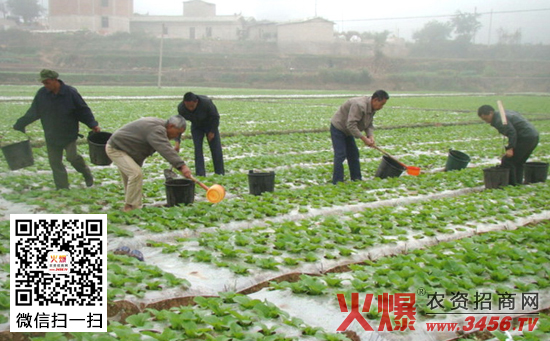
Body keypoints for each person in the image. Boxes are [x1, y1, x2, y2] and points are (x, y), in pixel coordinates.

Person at [13, 69, 100, 190]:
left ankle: (86, 173)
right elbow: (33, 112)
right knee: (55, 162)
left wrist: (92, 124)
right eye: (43, 83)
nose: (45, 85)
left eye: (47, 82)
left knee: (72, 157)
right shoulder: (42, 94)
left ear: (55, 80)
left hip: (68, 133)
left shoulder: (70, 93)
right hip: (51, 134)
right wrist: (19, 125)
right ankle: (62, 188)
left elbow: (82, 110)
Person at [106, 116, 192, 212]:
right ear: (171, 126)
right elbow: (164, 148)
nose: (177, 136)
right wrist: (182, 166)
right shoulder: (156, 130)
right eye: (178, 133)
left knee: (131, 177)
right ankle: (131, 207)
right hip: (117, 148)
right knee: (135, 174)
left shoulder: (161, 128)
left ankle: (131, 205)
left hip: (128, 150)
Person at [330, 90, 389, 184]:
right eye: (381, 104)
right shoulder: (359, 105)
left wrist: (370, 136)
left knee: (354, 154)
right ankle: (337, 181)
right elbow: (351, 125)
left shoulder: (372, 108)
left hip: (349, 131)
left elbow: (369, 124)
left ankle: (356, 179)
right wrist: (364, 138)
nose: (381, 107)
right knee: (340, 154)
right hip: (339, 128)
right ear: (375, 100)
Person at [478, 105, 539, 185]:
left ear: (491, 113)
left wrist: (510, 148)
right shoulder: (502, 114)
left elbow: (512, 132)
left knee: (508, 161)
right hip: (533, 136)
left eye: (486, 119)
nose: (486, 121)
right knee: (519, 162)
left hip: (525, 137)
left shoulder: (500, 120)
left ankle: (512, 184)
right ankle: (517, 183)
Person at [176, 92, 224, 176]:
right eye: (188, 106)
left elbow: (215, 117)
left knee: (216, 149)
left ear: (196, 102)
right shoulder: (181, 108)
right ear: (184, 103)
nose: (190, 109)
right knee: (198, 149)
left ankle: (220, 172)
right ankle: (200, 173)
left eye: (192, 106)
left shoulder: (206, 103)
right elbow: (180, 125)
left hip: (210, 124)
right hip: (196, 126)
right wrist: (177, 142)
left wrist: (212, 131)